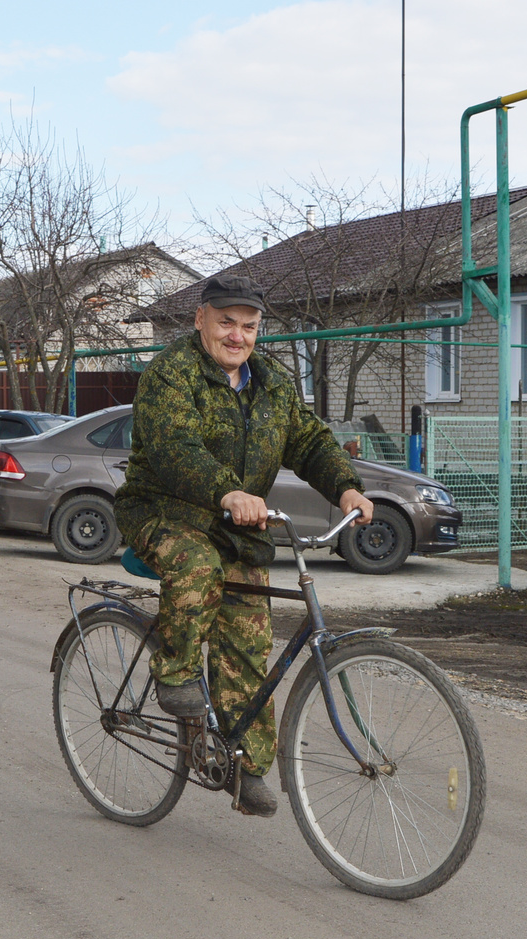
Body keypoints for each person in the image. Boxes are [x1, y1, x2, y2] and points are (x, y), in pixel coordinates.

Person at [114, 273, 374, 817]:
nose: (237, 336)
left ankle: (245, 765)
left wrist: (345, 486)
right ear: (200, 319)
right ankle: (177, 671)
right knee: (196, 563)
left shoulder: (271, 382)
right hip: (163, 511)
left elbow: (308, 439)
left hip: (237, 525)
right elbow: (174, 448)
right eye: (226, 322)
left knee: (249, 640)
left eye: (249, 326)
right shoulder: (171, 374)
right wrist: (227, 491)